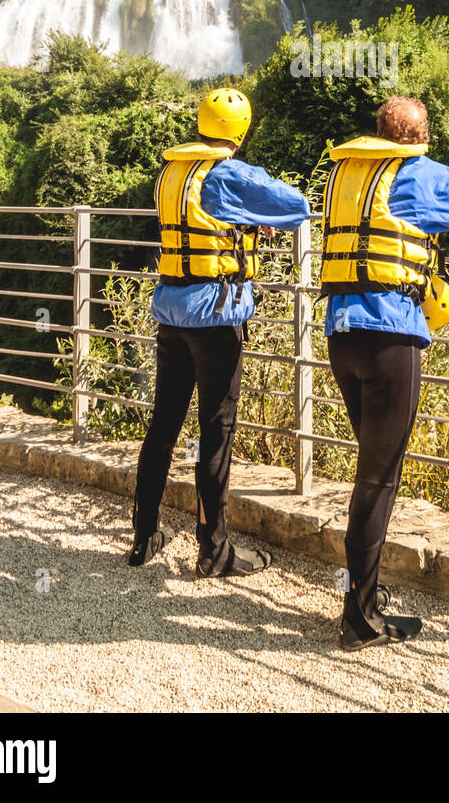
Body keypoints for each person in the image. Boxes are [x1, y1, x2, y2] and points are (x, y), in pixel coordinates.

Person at [321, 95, 449, 651]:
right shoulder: (420, 174)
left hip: (343, 337)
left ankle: (367, 595)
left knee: (374, 469)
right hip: (391, 340)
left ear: (378, 131)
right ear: (419, 134)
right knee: (378, 478)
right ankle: (358, 619)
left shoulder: (345, 175)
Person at [129, 87, 310, 576]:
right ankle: (214, 551)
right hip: (216, 318)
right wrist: (258, 216)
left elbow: (202, 218)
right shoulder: (230, 173)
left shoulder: (172, 171)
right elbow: (296, 206)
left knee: (163, 427)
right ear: (241, 130)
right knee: (216, 432)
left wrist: (246, 221)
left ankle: (144, 537)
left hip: (171, 313)